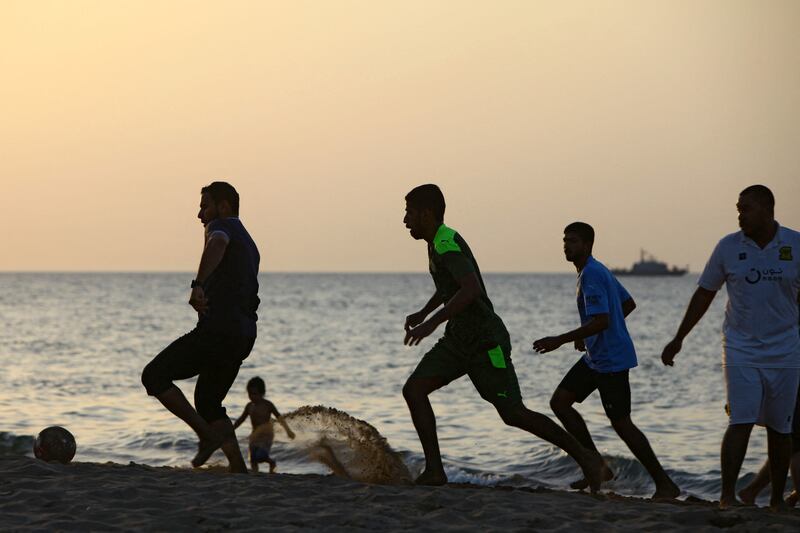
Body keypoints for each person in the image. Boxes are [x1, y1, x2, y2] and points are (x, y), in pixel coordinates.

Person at [401, 184, 604, 489]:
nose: (405, 220)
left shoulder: (446, 243)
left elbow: (471, 290)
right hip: (458, 340)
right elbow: (451, 286)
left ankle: (588, 459)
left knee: (513, 413)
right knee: (414, 390)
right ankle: (434, 471)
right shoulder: (436, 243)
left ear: (426, 213)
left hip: (486, 342)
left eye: (409, 213)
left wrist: (431, 324)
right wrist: (423, 312)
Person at [661, 184, 800, 510]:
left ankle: (777, 501)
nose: (740, 216)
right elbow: (704, 294)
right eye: (738, 209)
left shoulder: (795, 244)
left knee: (782, 429)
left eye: (745, 209)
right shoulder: (727, 247)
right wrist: (679, 337)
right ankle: (727, 496)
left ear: (767, 209)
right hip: (741, 349)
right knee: (740, 420)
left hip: (786, 350)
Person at [532, 222, 680, 499]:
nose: (567, 245)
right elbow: (627, 304)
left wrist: (561, 339)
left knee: (622, 423)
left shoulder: (592, 274)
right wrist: (589, 333)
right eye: (565, 240)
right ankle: (597, 466)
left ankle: (665, 483)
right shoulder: (594, 270)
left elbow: (603, 319)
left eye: (573, 241)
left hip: (611, 360)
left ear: (587, 245)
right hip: (595, 357)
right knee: (560, 402)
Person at [141, 181, 261, 473]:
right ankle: (237, 467)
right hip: (243, 336)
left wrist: (198, 285)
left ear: (223, 207)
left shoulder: (222, 228)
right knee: (208, 401)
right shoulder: (249, 241)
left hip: (219, 331)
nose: (200, 215)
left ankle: (207, 437)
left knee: (154, 376)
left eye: (204, 206)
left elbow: (216, 243)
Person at [738, 305, 800, 507]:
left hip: (785, 367)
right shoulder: (788, 312)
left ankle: (754, 491)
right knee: (793, 440)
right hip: (790, 369)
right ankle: (761, 492)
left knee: (791, 440)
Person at [233, 376, 296, 473]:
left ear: (262, 393)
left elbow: (280, 418)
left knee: (260, 456)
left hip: (266, 435)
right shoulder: (249, 406)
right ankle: (255, 474)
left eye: (254, 394)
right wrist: (232, 429)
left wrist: (288, 431)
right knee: (253, 458)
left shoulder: (268, 405)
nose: (252, 396)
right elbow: (241, 419)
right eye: (250, 393)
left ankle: (271, 462)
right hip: (254, 435)